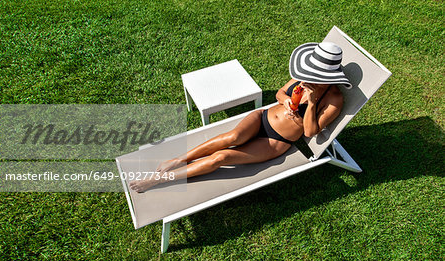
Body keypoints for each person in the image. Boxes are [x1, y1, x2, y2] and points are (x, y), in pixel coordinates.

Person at [130, 42, 352, 193]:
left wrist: (311, 102)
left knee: (222, 158)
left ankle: (159, 179)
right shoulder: (303, 78)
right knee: (233, 136)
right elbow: (279, 93)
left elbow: (310, 132)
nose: (308, 77)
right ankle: (179, 159)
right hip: (262, 117)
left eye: (316, 74)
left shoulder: (333, 99)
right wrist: (284, 100)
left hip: (277, 142)